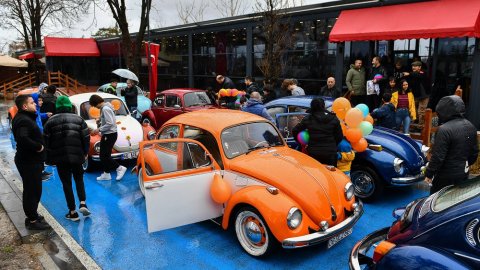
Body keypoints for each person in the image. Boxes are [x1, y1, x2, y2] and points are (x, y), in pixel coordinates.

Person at [44, 96, 91, 221]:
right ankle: (83, 203)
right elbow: (86, 137)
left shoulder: (50, 121)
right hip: (77, 155)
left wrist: (48, 159)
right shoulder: (79, 119)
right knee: (79, 179)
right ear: (70, 106)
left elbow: (46, 141)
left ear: (57, 107)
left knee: (66, 183)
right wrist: (85, 152)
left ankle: (72, 211)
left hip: (60, 158)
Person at [424, 95, 478, 194]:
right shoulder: (471, 126)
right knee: (458, 200)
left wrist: (429, 173)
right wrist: (464, 164)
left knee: (437, 202)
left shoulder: (444, 129)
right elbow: (474, 153)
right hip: (463, 172)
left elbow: (438, 156)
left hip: (445, 175)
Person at [11, 94, 50, 230]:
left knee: (33, 190)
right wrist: (38, 146)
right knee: (32, 191)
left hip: (30, 160)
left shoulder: (25, 117)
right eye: (33, 103)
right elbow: (23, 138)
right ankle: (32, 220)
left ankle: (33, 215)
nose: (36, 104)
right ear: (25, 106)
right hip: (28, 161)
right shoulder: (23, 120)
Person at [292, 98, 343, 166]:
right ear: (323, 106)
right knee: (331, 175)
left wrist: (302, 143)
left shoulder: (308, 118)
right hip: (330, 152)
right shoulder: (333, 118)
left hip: (314, 152)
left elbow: (295, 130)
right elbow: (339, 136)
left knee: (316, 174)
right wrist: (332, 144)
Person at [88, 94, 127, 181]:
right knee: (105, 155)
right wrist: (100, 121)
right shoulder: (107, 107)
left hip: (109, 134)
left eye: (94, 105)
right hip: (110, 134)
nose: (96, 107)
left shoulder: (105, 109)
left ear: (97, 103)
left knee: (104, 156)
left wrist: (98, 129)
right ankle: (106, 173)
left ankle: (119, 168)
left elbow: (110, 123)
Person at [404, 61, 430, 125]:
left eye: (415, 66)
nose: (413, 67)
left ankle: (421, 126)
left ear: (420, 67)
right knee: (413, 110)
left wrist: (409, 74)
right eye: (413, 66)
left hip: (424, 95)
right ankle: (415, 123)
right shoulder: (412, 74)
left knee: (421, 111)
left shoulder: (423, 72)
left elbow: (418, 75)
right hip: (415, 95)